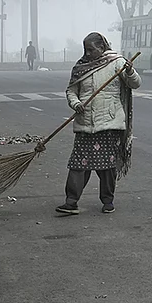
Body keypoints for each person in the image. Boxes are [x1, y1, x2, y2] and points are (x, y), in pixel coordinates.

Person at [55, 32, 141, 215]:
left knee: (107, 166)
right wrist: (76, 103)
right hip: (85, 124)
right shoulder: (80, 67)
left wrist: (129, 71)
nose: (87, 54)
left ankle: (108, 201)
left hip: (109, 123)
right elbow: (71, 90)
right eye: (85, 50)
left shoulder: (117, 63)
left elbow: (135, 84)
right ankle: (71, 202)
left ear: (102, 48)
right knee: (78, 164)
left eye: (91, 50)